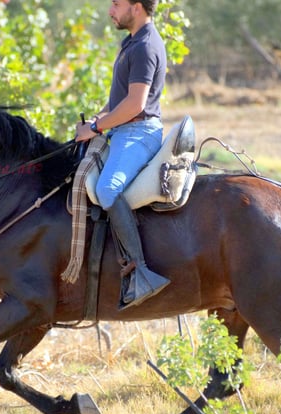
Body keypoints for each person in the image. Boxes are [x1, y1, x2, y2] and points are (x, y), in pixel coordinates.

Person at [75, 0, 169, 310]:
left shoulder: (145, 46)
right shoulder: (131, 41)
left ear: (137, 7)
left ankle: (140, 271)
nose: (110, 10)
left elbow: (134, 105)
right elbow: (119, 100)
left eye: (116, 4)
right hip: (122, 130)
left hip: (137, 133)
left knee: (107, 188)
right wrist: (96, 120)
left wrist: (96, 128)